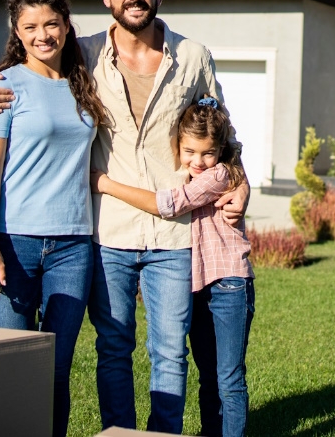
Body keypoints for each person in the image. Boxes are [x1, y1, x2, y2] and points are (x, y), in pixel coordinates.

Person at [0, 0, 250, 434]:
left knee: (169, 352)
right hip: (108, 234)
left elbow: (224, 133)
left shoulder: (193, 57)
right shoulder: (83, 54)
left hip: (173, 236)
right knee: (113, 350)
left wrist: (240, 181)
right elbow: (30, 68)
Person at [0, 0, 105, 437]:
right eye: (30, 26)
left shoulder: (82, 80)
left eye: (51, 24)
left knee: (56, 369)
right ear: (17, 30)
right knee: (11, 366)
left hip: (73, 245)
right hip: (14, 244)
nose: (42, 35)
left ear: (67, 27)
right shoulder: (3, 86)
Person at [93, 96, 255, 437]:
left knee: (228, 378)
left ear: (220, 150)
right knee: (209, 376)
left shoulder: (218, 174)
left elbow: (168, 205)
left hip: (228, 284)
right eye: (190, 152)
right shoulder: (195, 173)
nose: (198, 161)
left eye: (207, 152)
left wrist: (105, 184)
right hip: (199, 286)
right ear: (179, 146)